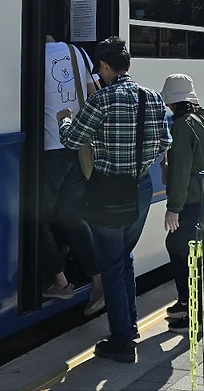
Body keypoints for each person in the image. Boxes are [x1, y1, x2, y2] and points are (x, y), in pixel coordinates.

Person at [58, 37, 171, 363]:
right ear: (129, 65)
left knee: (111, 265)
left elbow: (72, 140)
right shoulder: (151, 98)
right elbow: (165, 141)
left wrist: (65, 118)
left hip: (109, 192)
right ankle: (130, 326)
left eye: (100, 68)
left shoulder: (101, 100)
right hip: (141, 188)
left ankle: (122, 340)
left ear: (106, 67)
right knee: (124, 257)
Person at [39, 36, 104, 314]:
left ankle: (60, 282)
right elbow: (94, 94)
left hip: (50, 150)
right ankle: (99, 282)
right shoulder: (77, 52)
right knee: (71, 215)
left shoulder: (33, 55)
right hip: (76, 148)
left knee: (36, 218)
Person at [159, 74, 204, 334]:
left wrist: (173, 208)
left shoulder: (182, 127)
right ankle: (187, 304)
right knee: (190, 251)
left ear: (173, 103)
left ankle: (193, 313)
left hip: (190, 200)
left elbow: (181, 169)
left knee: (181, 249)